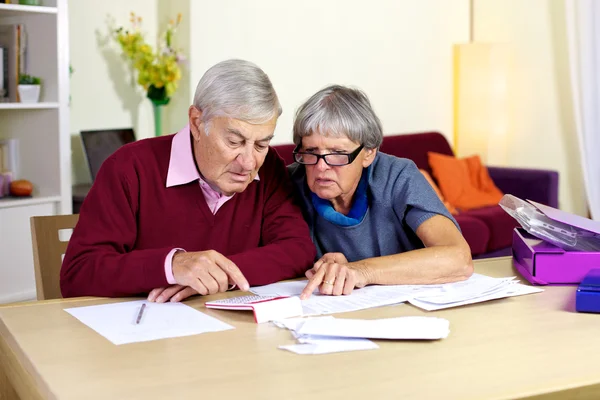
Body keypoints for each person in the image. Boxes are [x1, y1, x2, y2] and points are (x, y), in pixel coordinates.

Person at [61, 59, 316, 302]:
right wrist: (171, 266)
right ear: (196, 122)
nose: (249, 162)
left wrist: (216, 274)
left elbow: (297, 249)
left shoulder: (270, 166)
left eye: (261, 143)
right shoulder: (129, 168)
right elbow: (78, 272)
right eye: (234, 142)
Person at [287, 85, 474, 299]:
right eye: (310, 152)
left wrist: (361, 270)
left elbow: (458, 258)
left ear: (368, 154)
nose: (321, 167)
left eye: (338, 153)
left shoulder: (398, 176)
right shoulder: (290, 181)